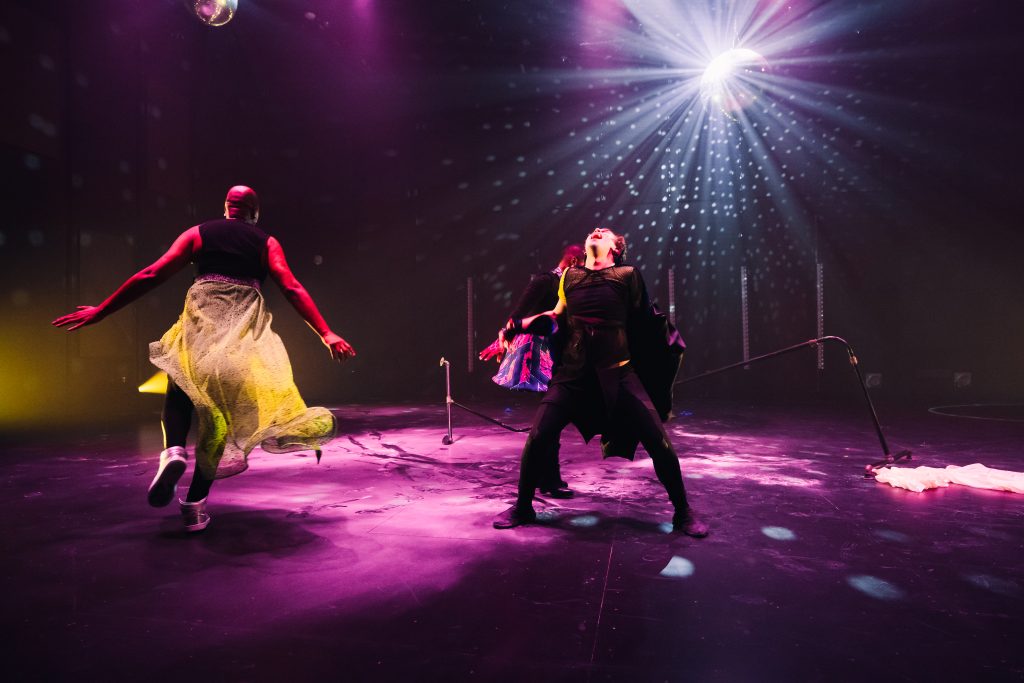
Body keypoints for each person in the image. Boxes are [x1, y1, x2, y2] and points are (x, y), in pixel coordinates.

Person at [52, 186, 356, 532]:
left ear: (227, 208)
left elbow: (151, 274)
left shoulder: (199, 233)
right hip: (241, 346)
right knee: (219, 424)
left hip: (198, 334)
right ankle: (194, 507)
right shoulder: (266, 242)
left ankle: (174, 452)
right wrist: (326, 332)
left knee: (178, 389)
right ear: (255, 212)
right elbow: (291, 287)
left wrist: (103, 311)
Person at [492, 227, 708, 537]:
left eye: (604, 232)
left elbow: (642, 321)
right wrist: (516, 325)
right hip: (573, 376)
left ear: (615, 249)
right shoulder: (571, 277)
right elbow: (557, 316)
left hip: (618, 374)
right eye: (594, 230)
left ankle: (683, 512)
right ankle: (523, 506)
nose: (596, 231)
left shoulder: (628, 275)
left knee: (659, 443)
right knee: (538, 436)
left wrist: (664, 352)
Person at [480, 244, 585, 498]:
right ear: (573, 260)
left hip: (559, 355)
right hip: (542, 358)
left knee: (552, 421)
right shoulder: (546, 281)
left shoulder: (568, 286)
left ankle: (549, 477)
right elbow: (519, 312)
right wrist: (504, 336)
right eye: (581, 264)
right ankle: (548, 479)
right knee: (551, 419)